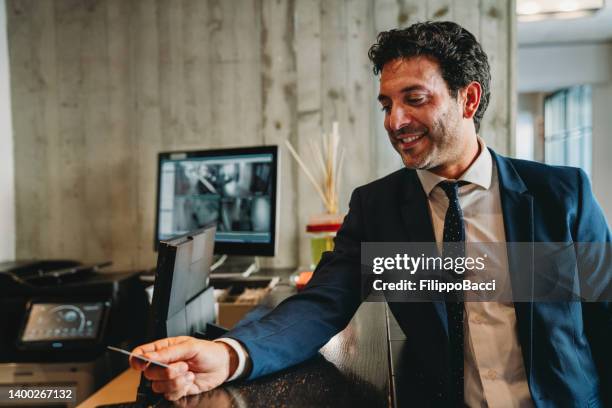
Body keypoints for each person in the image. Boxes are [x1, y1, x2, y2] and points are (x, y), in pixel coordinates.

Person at [130, 21, 611, 406]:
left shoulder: (559, 195)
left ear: (469, 99)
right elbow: (319, 307)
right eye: (387, 104)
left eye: (414, 100)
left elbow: (604, 319)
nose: (394, 122)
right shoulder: (379, 208)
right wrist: (228, 354)